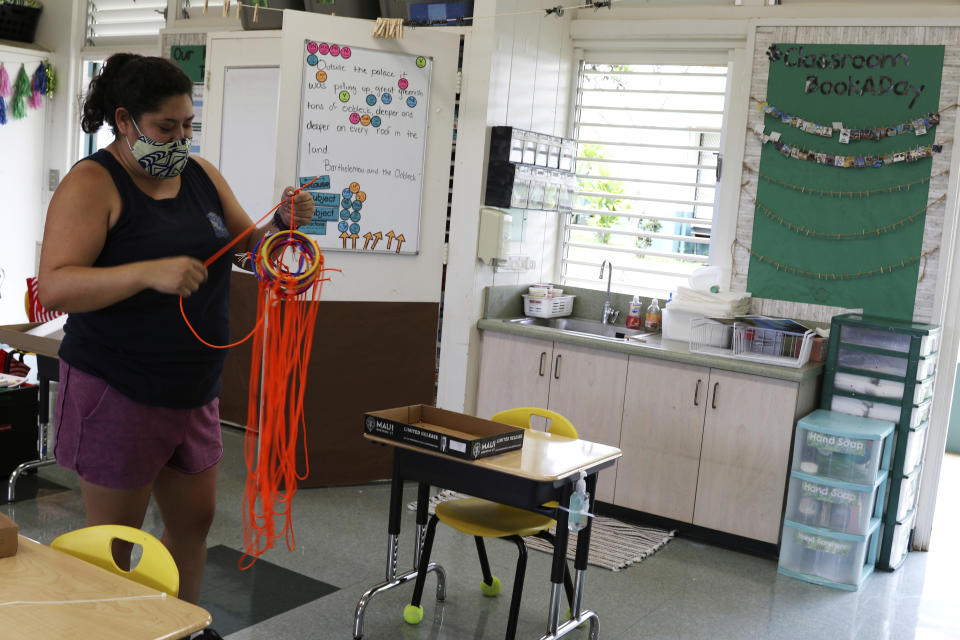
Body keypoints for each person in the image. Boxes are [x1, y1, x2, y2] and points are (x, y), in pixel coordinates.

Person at [38, 53, 313, 639]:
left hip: (193, 390)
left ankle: (182, 627)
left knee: (193, 523)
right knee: (115, 544)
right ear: (125, 120)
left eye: (189, 125)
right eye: (167, 127)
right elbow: (58, 283)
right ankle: (112, 632)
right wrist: (147, 273)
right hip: (117, 390)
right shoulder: (92, 184)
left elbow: (248, 248)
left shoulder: (201, 176)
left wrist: (282, 226)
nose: (181, 138)